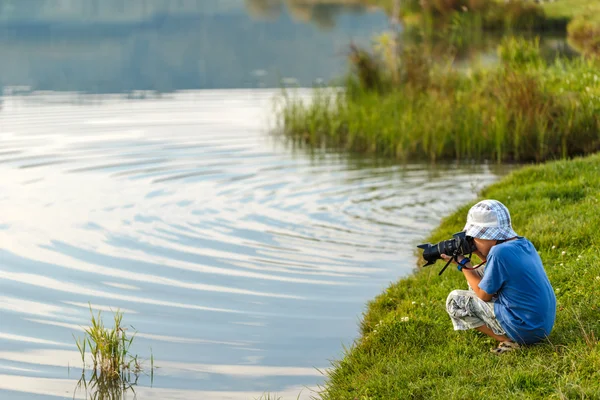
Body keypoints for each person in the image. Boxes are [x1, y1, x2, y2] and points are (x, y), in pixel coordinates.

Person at [442, 199, 556, 354]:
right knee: (482, 272)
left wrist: (463, 264)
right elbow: (498, 267)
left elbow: (483, 295)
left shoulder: (498, 252)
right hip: (541, 327)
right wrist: (478, 252)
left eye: (474, 238)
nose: (472, 242)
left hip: (525, 330)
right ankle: (510, 329)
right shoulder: (523, 243)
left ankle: (509, 340)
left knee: (455, 300)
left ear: (487, 236)